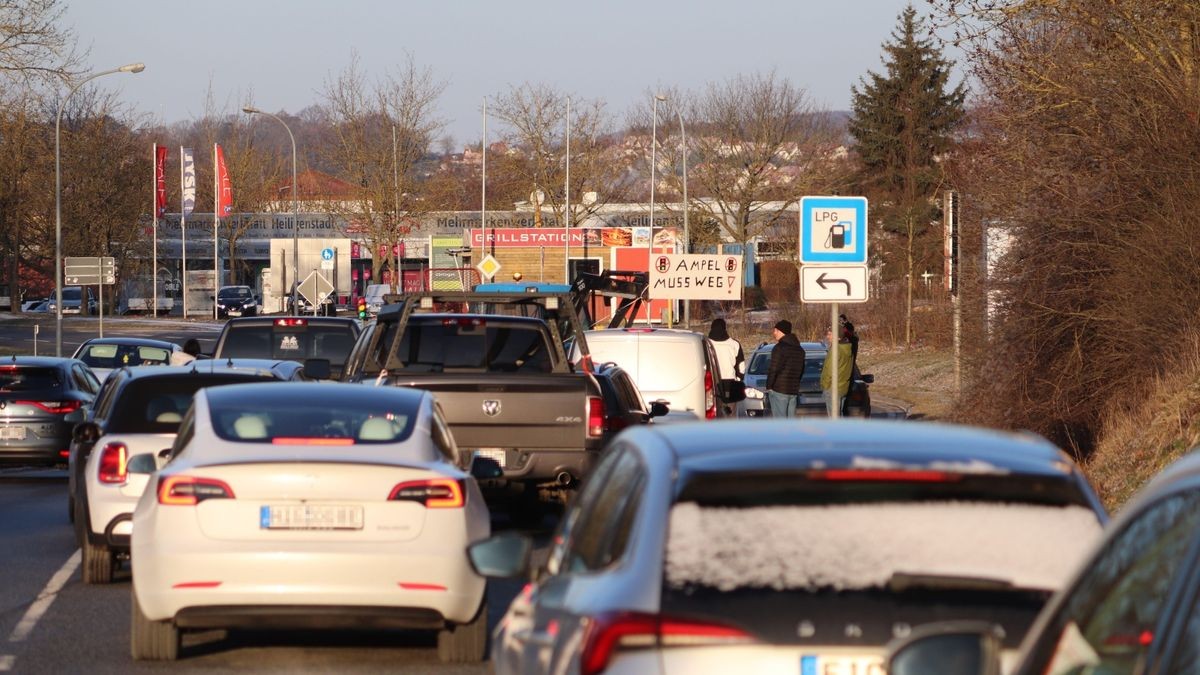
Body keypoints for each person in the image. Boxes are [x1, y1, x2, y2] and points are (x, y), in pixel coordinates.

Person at [765, 319, 806, 418]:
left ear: (780, 331)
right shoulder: (799, 349)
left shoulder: (779, 348)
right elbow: (801, 370)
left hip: (779, 390)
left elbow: (774, 369)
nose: (773, 333)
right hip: (793, 391)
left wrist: (769, 386)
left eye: (775, 330)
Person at [820, 325, 854, 417]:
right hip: (842, 388)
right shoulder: (847, 348)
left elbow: (828, 370)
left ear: (837, 336)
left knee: (834, 419)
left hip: (833, 389)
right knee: (839, 417)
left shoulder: (836, 349)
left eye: (830, 334)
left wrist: (825, 385)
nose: (828, 336)